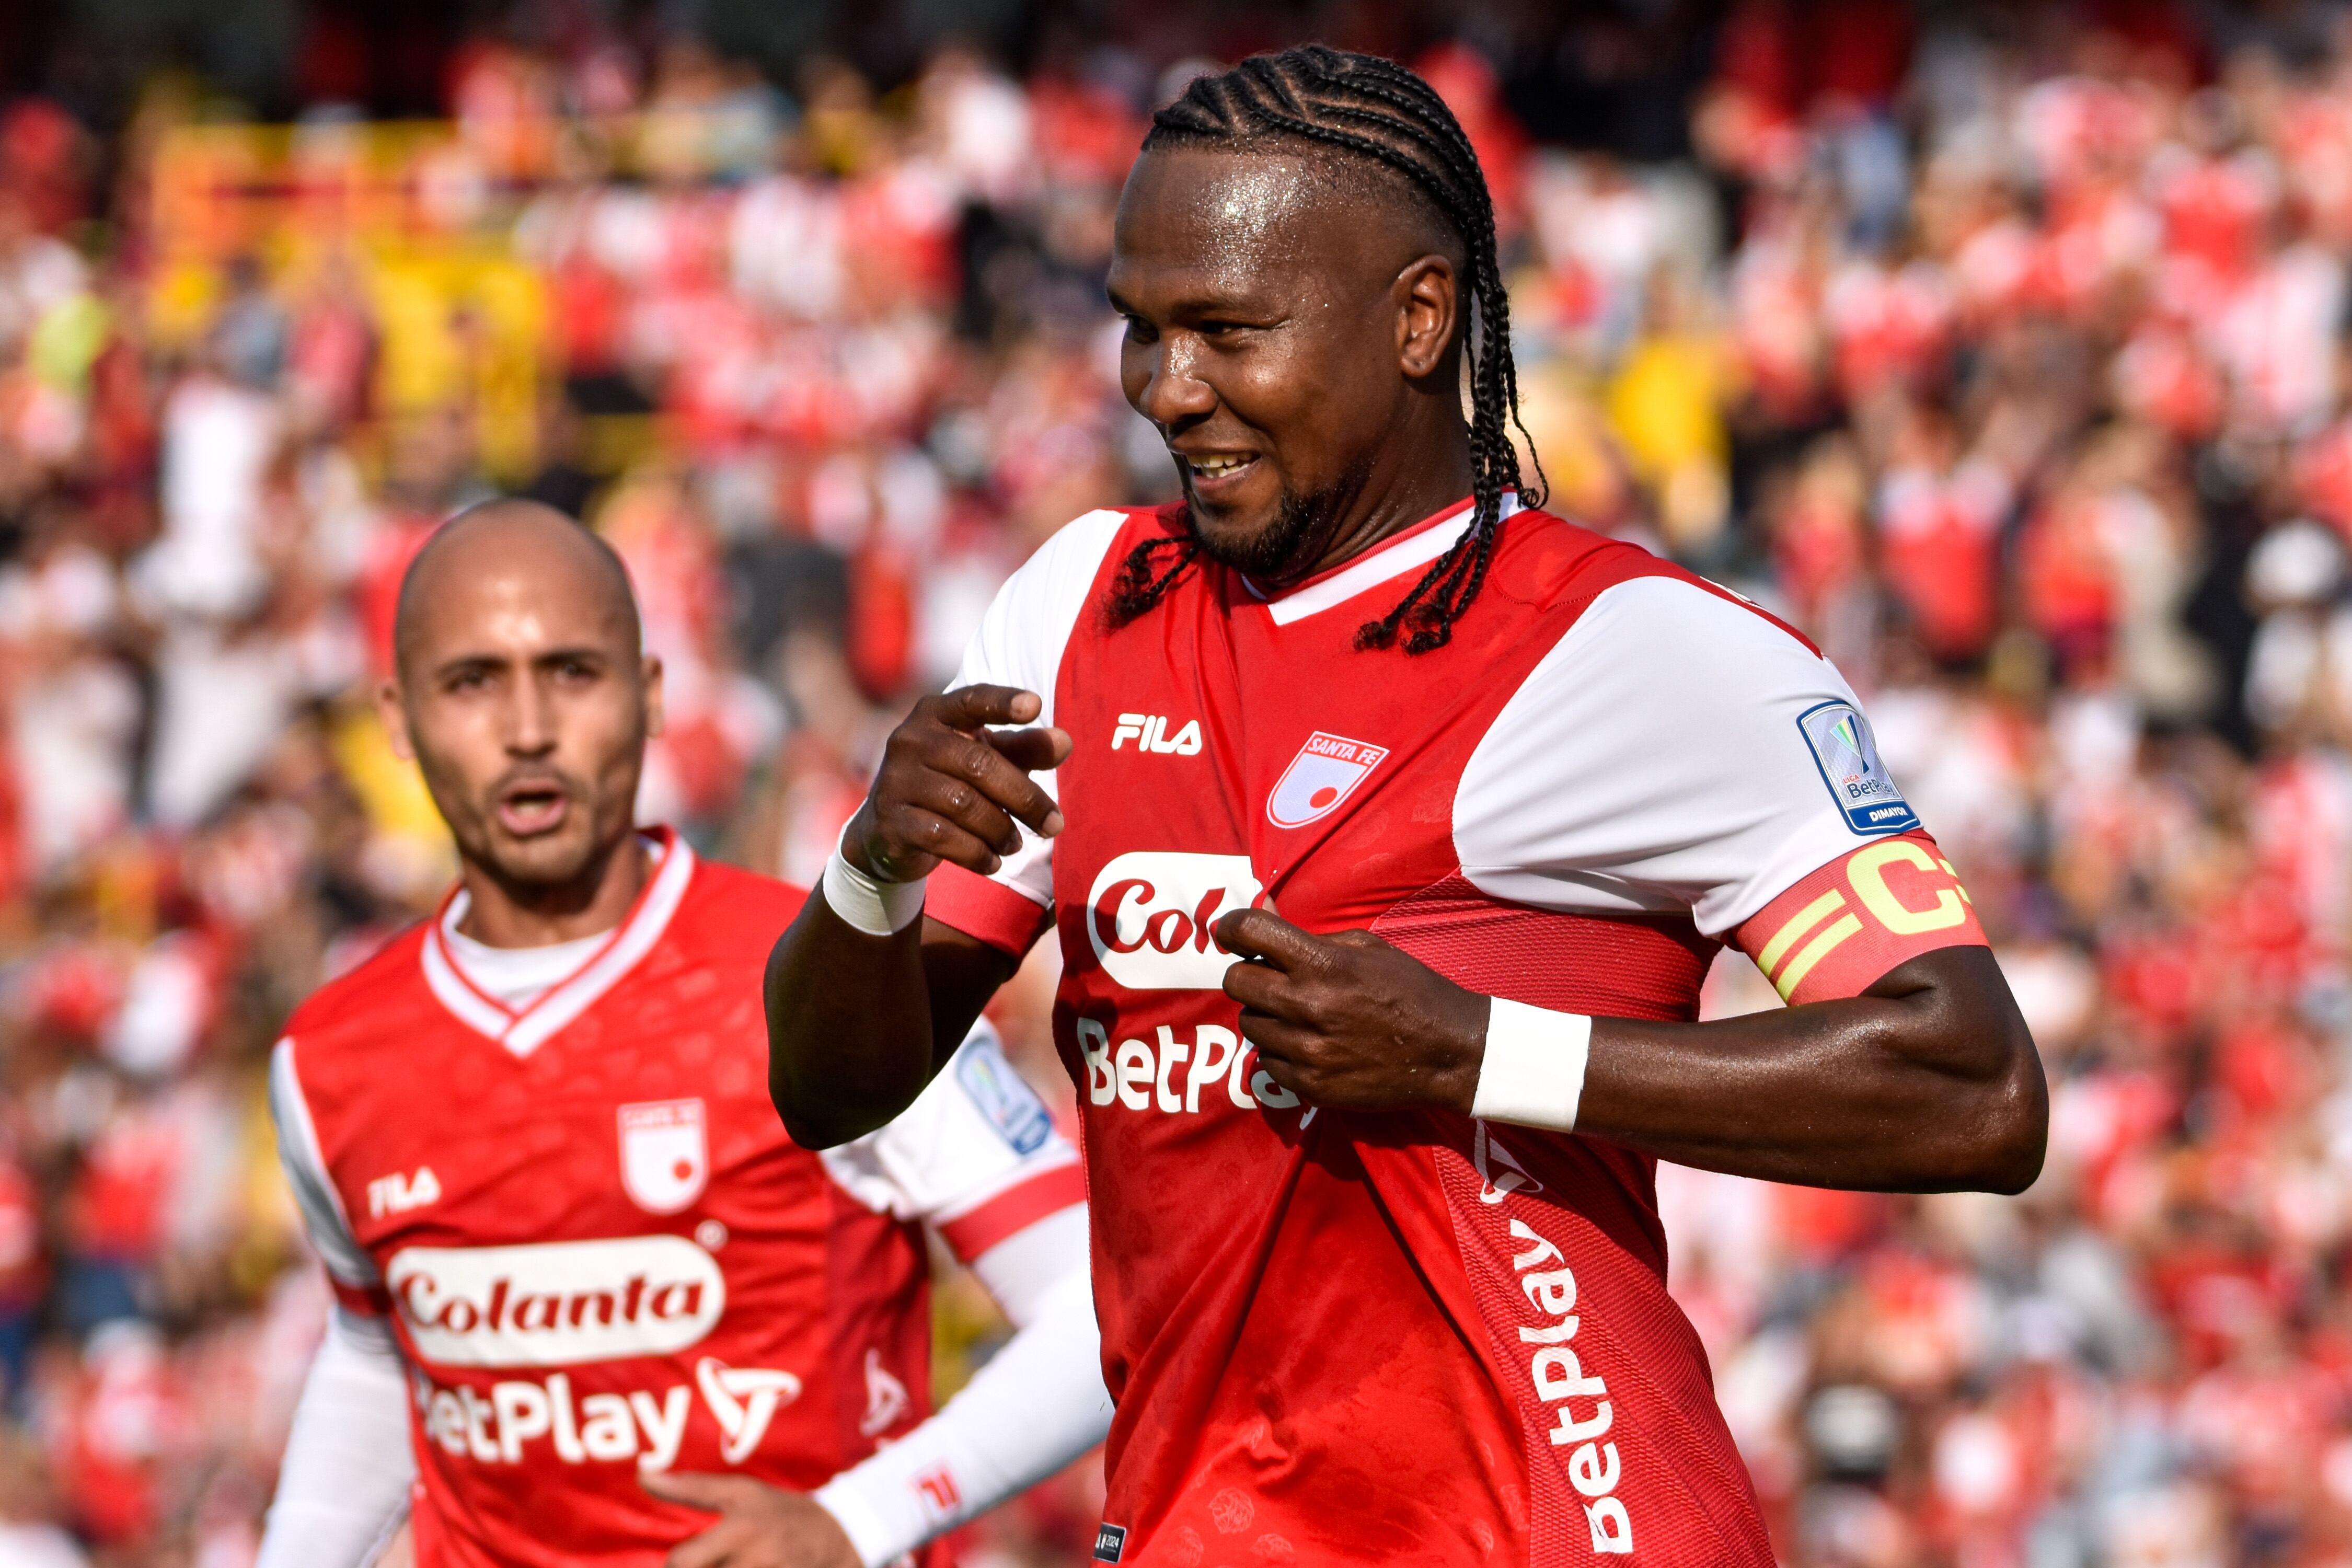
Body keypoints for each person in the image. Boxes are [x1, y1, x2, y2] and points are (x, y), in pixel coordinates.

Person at [765, 47, 2046, 1567]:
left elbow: (1973, 1088)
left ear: (1418, 319)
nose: (1170, 391)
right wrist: (874, 866)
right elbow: (829, 1089)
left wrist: (1478, 1051)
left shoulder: (1644, 650)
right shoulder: (1075, 606)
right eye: (1142, 332)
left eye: (1228, 332)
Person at [258, 501, 1111, 1568]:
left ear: (652, 692)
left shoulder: (822, 981)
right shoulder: (331, 1058)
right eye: (473, 681)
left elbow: (1097, 1316)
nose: (528, 728)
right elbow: (383, 1351)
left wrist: (866, 1518)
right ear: (396, 719)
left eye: (572, 672)